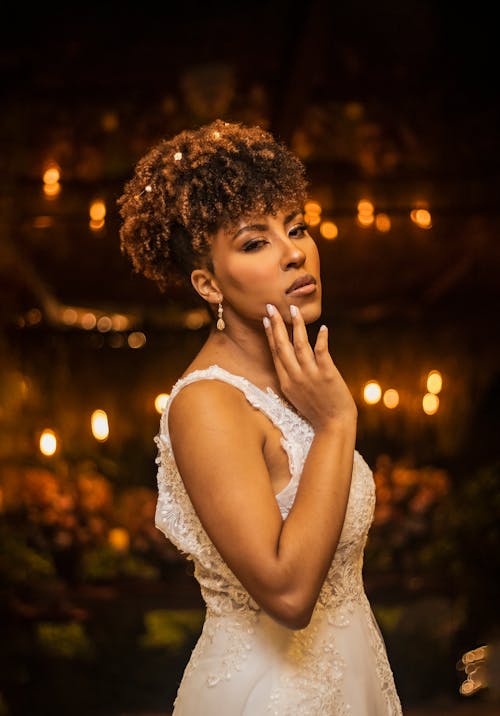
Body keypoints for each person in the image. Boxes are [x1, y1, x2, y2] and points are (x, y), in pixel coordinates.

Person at [117, 119, 403, 715]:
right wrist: (336, 424)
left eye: (295, 227)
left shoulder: (297, 381)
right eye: (255, 241)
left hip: (353, 682)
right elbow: (290, 594)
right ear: (207, 283)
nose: (295, 251)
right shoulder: (206, 405)